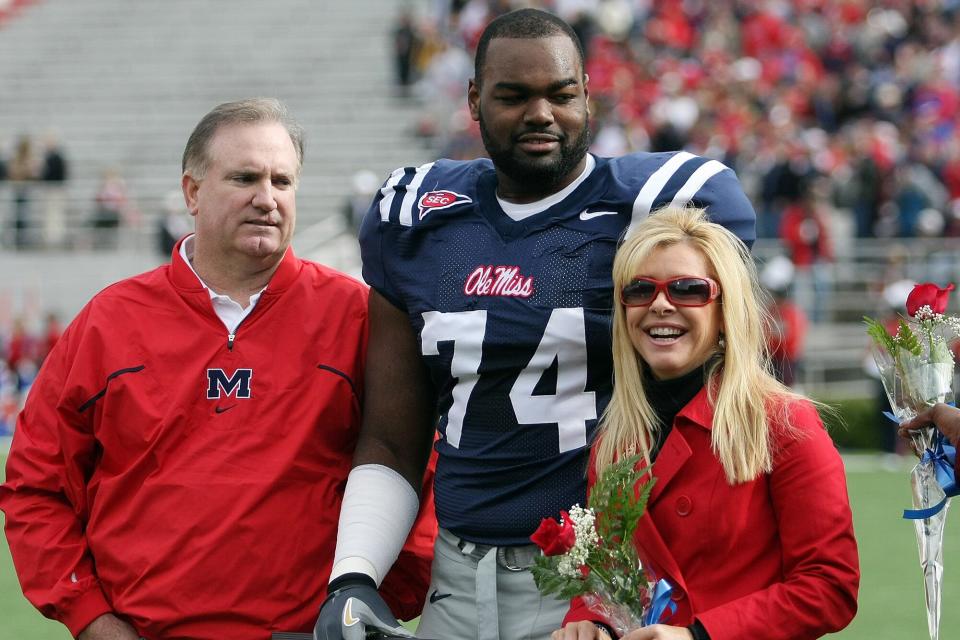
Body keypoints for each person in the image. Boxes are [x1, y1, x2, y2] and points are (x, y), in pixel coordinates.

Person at [315, 9, 756, 640]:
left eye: (561, 94)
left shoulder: (656, 203)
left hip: (594, 576)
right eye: (513, 96)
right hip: (458, 576)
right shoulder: (416, 215)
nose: (541, 114)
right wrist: (354, 575)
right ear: (473, 100)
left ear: (587, 95)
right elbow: (392, 435)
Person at [0, 98, 436, 640]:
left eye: (282, 180)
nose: (267, 199)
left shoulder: (362, 317)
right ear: (192, 193)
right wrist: (90, 618)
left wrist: (364, 603)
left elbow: (428, 475)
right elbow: (35, 488)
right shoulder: (108, 322)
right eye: (245, 178)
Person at [554, 206, 859, 640]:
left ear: (723, 311)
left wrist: (699, 635)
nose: (660, 304)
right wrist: (589, 621)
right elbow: (606, 574)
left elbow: (831, 587)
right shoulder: (615, 436)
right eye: (640, 290)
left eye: (688, 289)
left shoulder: (784, 422)